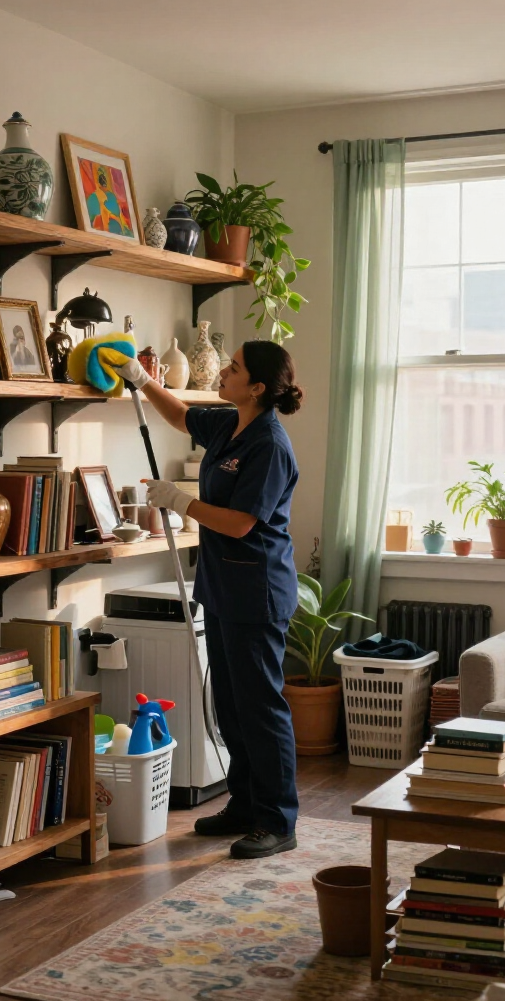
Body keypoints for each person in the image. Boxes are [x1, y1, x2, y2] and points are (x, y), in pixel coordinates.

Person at [114, 339, 303, 860]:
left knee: (261, 709)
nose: (223, 371)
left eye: (234, 368)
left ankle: (277, 819)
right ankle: (244, 806)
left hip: (257, 592)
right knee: (231, 709)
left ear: (257, 387)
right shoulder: (229, 423)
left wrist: (180, 501)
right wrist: (142, 379)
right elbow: (181, 417)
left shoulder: (269, 444)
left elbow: (241, 524)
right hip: (221, 588)